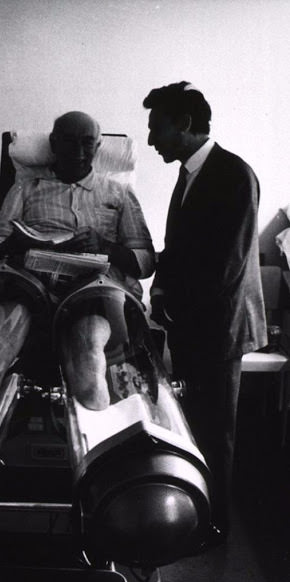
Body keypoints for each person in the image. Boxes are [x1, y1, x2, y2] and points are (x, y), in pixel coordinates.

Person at [143, 82, 266, 547]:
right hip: (196, 324)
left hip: (219, 328)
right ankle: (198, 517)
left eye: (158, 128)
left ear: (185, 124)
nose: (152, 140)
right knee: (196, 424)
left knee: (216, 431)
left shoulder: (234, 174)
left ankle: (215, 529)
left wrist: (173, 306)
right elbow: (182, 249)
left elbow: (227, 269)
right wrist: (161, 288)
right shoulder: (191, 173)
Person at [0, 110, 155, 410]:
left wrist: (106, 247)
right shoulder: (26, 188)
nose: (78, 152)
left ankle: (97, 433)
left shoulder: (118, 193)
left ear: (98, 147)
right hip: (31, 287)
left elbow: (145, 262)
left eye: (87, 143)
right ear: (53, 143)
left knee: (88, 354)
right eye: (68, 142)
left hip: (92, 291)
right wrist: (15, 243)